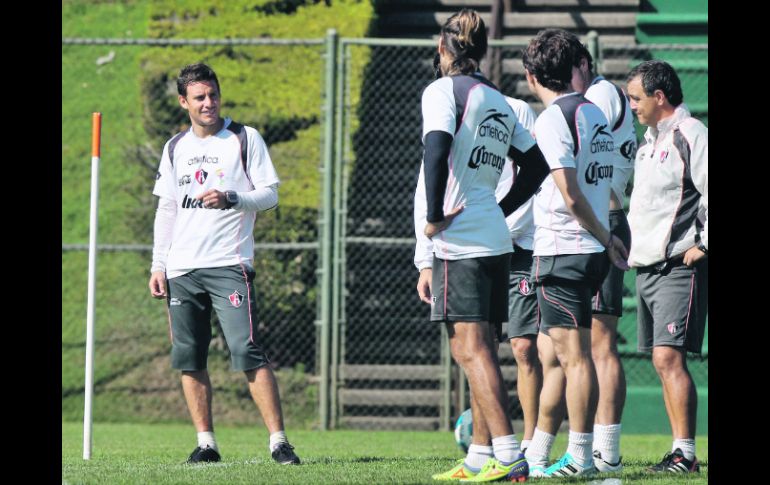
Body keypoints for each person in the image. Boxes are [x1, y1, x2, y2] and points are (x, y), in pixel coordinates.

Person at [413, 9, 550, 482]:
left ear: (443, 49)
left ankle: (510, 456)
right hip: (492, 235)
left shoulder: (441, 90)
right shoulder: (497, 99)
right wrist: (497, 205)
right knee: (481, 348)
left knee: (472, 351)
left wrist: (434, 217)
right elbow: (535, 166)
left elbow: (435, 149)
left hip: (462, 238)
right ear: (483, 52)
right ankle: (478, 455)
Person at [148, 63, 300, 466]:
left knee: (246, 349)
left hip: (229, 265)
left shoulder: (244, 138)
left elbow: (269, 196)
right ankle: (206, 444)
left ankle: (279, 442)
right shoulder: (174, 147)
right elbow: (167, 209)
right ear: (184, 102)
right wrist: (158, 264)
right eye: (199, 97)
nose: (208, 103)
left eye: (212, 95)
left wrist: (233, 197)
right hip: (181, 270)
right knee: (189, 356)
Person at [522, 30, 636, 475]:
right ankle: (539, 454)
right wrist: (604, 239)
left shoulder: (553, 118)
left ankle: (582, 457)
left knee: (573, 358)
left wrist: (605, 238)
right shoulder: (594, 111)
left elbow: (570, 193)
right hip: (589, 248)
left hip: (565, 246)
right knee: (562, 354)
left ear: (533, 76)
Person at [625, 60, 707, 474]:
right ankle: (679, 452)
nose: (632, 105)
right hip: (647, 268)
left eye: (636, 97)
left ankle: (685, 455)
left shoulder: (691, 134)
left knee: (667, 358)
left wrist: (704, 246)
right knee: (661, 360)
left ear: (660, 97)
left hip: (678, 265)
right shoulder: (649, 142)